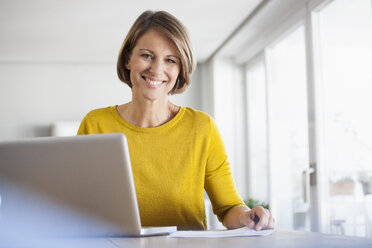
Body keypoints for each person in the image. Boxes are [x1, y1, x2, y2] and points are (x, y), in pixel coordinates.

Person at [77, 10, 274, 231]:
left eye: (170, 60)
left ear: (180, 69)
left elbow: (229, 208)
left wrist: (247, 216)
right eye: (146, 55)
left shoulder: (202, 128)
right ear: (127, 59)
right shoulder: (95, 124)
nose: (156, 69)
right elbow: (77, 205)